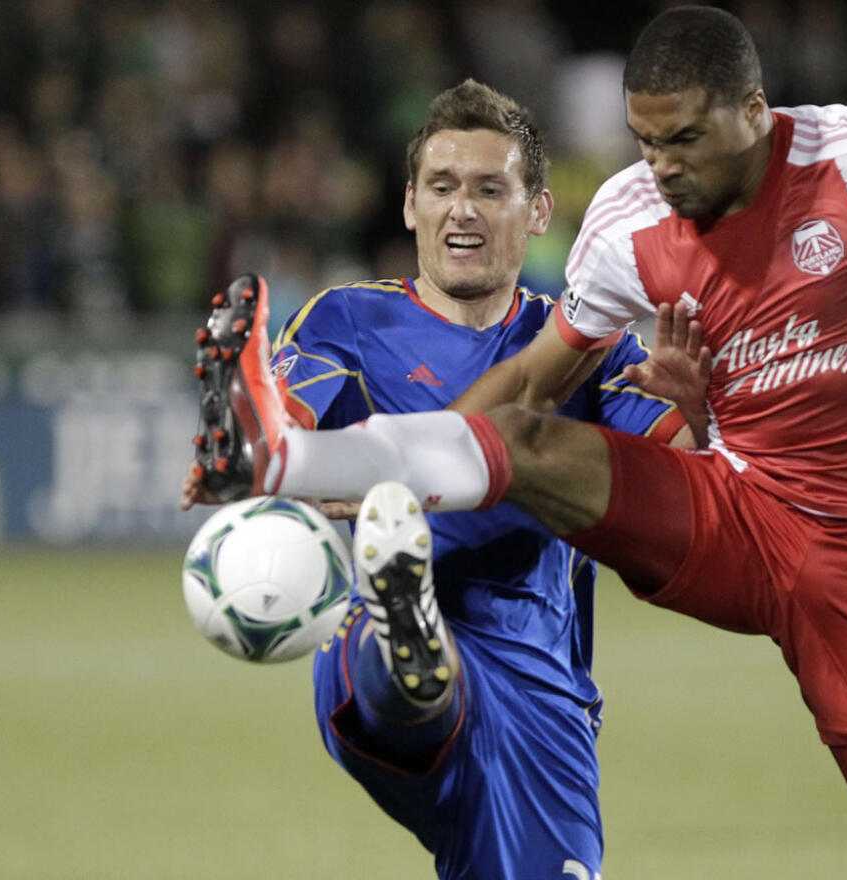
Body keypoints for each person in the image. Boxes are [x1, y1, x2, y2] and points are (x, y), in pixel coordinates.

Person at [197, 8, 847, 878]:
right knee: (531, 446)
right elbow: (519, 395)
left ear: (754, 111)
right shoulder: (618, 225)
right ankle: (290, 470)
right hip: (743, 516)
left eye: (684, 141)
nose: (661, 167)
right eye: (645, 141)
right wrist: (306, 470)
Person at [182, 80, 686, 880]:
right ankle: (409, 626)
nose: (464, 210)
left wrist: (710, 405)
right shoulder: (347, 321)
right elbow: (294, 429)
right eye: (443, 188)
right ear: (411, 205)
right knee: (409, 676)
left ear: (540, 210)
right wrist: (277, 459)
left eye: (491, 190)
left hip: (539, 689)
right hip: (376, 646)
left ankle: (414, 637)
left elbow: (685, 477)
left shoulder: (588, 348)